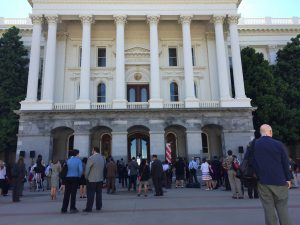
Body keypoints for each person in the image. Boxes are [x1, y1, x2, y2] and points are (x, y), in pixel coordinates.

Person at [253, 124, 292, 225]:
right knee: (282, 208)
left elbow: (249, 162)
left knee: (268, 208)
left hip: (263, 181)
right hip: (280, 181)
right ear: (270, 132)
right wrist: (288, 179)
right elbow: (285, 162)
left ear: (261, 132)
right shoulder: (278, 144)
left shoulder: (254, 144)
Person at [83, 147, 105, 213]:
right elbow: (103, 167)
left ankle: (89, 208)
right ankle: (98, 206)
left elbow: (87, 169)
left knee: (90, 194)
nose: (92, 151)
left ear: (94, 150)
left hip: (92, 179)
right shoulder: (102, 158)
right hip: (100, 178)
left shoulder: (91, 158)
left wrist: (86, 177)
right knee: (99, 193)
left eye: (92, 150)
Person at [61, 149, 83, 214]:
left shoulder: (68, 160)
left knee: (66, 194)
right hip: (75, 178)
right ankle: (72, 208)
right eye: (78, 153)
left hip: (67, 178)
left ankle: (64, 208)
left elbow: (64, 169)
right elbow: (81, 170)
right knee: (73, 194)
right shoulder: (79, 160)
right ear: (77, 154)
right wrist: (79, 176)